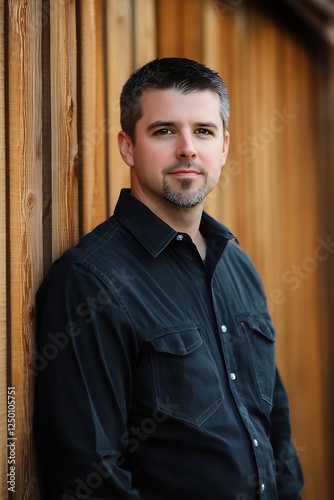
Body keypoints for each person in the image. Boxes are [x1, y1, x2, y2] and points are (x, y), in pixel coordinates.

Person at [34, 57, 304, 499]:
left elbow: (274, 427)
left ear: (224, 146)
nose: (187, 149)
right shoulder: (91, 282)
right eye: (164, 131)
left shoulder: (239, 268)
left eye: (203, 131)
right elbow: (89, 474)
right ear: (127, 147)